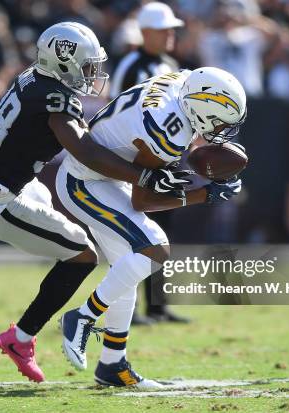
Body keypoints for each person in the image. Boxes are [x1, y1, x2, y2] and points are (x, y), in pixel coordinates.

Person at [0, 22, 190, 383]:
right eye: (86, 65)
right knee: (82, 254)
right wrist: (142, 176)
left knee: (44, 196)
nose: (92, 74)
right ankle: (20, 338)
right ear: (63, 62)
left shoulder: (35, 77)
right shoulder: (56, 98)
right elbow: (83, 150)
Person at [58, 67, 247, 387]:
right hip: (85, 182)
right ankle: (82, 316)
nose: (223, 132)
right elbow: (143, 201)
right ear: (203, 111)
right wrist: (203, 195)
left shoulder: (181, 82)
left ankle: (112, 365)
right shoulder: (169, 130)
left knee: (126, 271)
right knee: (155, 248)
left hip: (105, 178)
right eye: (221, 123)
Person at [108, 1, 188, 325]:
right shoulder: (131, 64)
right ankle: (125, 307)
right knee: (131, 234)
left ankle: (157, 305)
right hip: (136, 159)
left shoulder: (171, 64)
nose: (170, 34)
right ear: (145, 32)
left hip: (166, 159)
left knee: (163, 232)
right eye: (164, 28)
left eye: (172, 29)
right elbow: (116, 109)